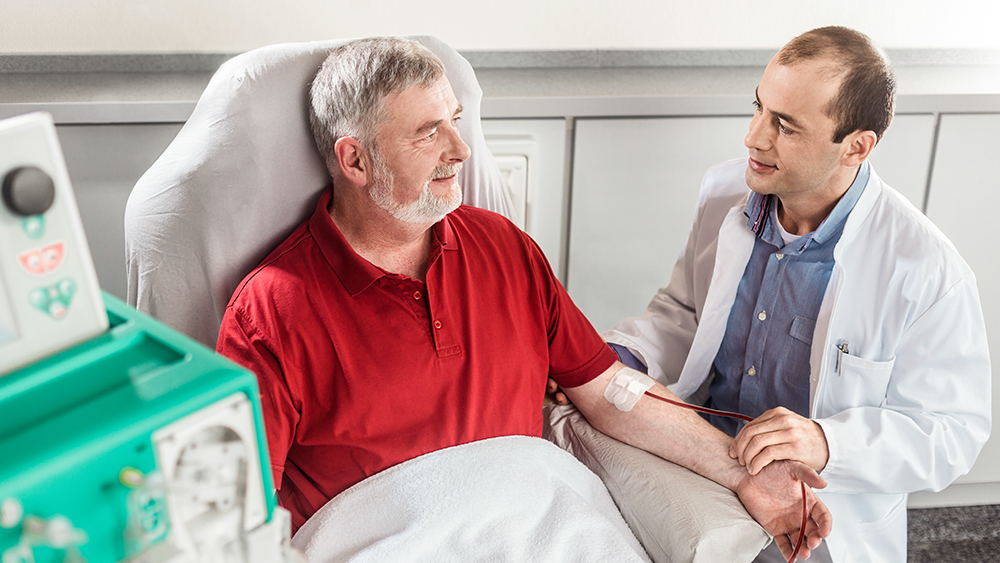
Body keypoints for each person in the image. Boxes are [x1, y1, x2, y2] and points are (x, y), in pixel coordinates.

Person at [215, 36, 832, 558]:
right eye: (428, 133)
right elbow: (237, 518)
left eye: (456, 121)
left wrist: (738, 471)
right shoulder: (272, 310)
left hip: (545, 525)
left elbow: (610, 393)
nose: (460, 151)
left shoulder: (501, 247)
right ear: (354, 159)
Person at [601, 26, 992, 562]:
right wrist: (611, 362)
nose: (754, 138)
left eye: (784, 126)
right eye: (758, 108)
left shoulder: (925, 268)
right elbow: (685, 311)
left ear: (856, 146)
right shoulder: (725, 194)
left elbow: (951, 434)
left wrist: (826, 442)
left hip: (816, 512)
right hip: (709, 464)